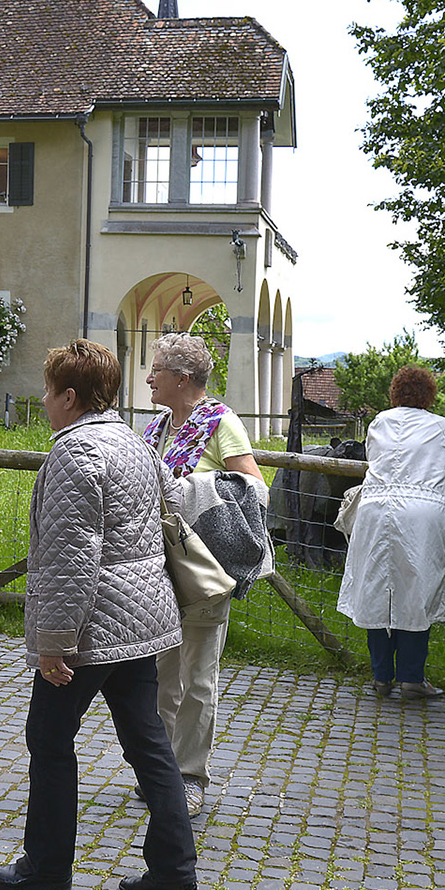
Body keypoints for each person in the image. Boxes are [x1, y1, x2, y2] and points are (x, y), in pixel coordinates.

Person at [0, 340, 198, 890]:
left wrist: (55, 644)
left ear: (70, 397)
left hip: (93, 625)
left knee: (49, 739)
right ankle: (175, 873)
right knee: (150, 745)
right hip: (141, 618)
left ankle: (48, 865)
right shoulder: (134, 442)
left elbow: (70, 555)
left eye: (50, 390)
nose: (45, 400)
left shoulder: (76, 454)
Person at [140, 331, 263, 816]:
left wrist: (190, 488)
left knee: (197, 677)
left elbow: (255, 488)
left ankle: (190, 777)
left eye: (157, 371)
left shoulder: (221, 423)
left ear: (182, 378)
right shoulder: (157, 427)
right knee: (160, 674)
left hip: (204, 568)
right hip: (161, 565)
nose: (149, 378)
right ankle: (162, 770)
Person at [337, 366, 445, 699]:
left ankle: (381, 676)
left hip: (376, 508)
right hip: (420, 513)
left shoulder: (380, 421)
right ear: (429, 394)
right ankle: (412, 677)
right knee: (418, 592)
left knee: (376, 590)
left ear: (395, 392)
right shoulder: (441, 427)